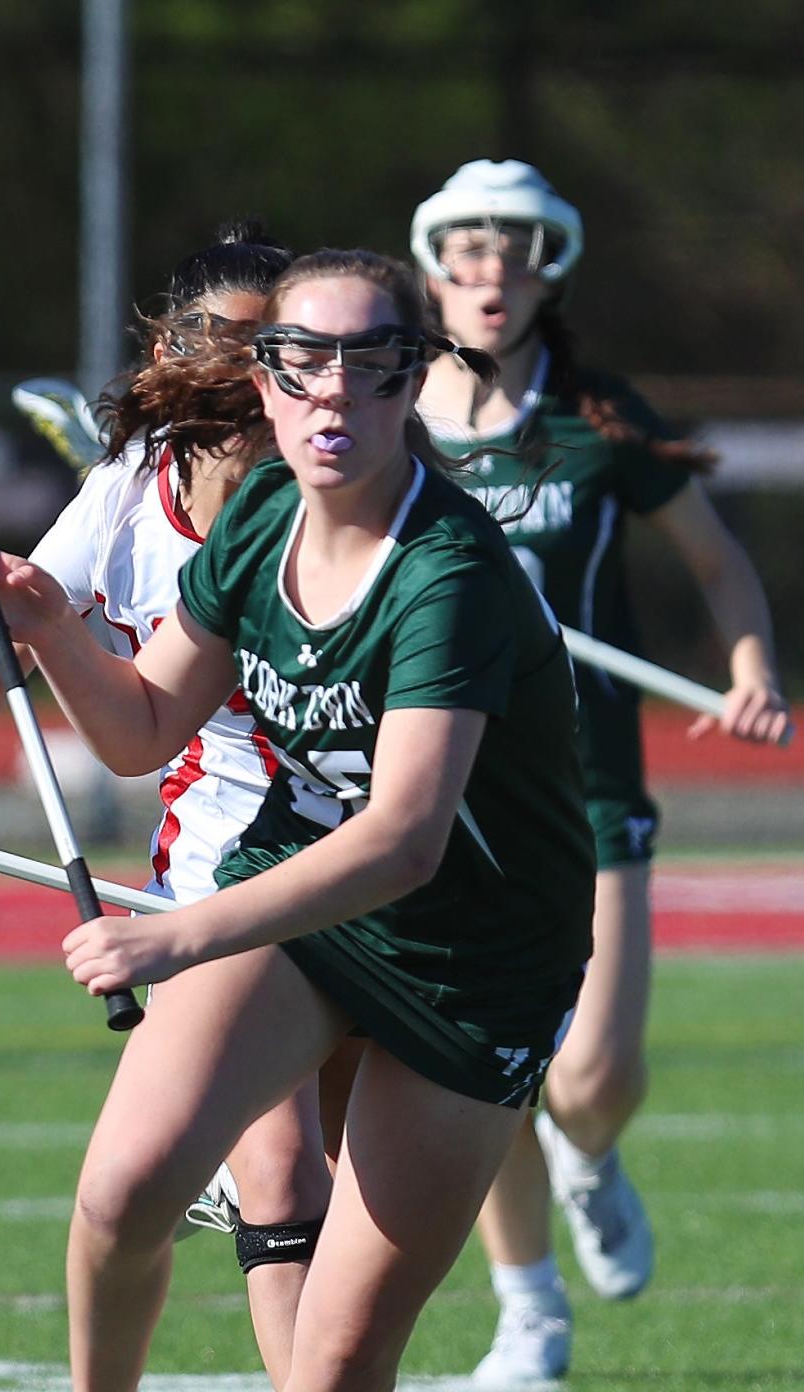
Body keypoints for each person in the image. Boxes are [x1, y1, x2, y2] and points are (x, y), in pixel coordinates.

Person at [0, 248, 597, 1391]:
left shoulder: (450, 575)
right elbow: (143, 727)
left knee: (334, 1368)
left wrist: (177, 935)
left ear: (412, 381)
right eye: (302, 364)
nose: (333, 392)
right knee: (124, 1191)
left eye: (371, 364)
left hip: (475, 963)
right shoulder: (264, 522)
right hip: (305, 900)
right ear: (265, 381)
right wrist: (50, 628)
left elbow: (403, 840)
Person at [0, 221, 346, 1389]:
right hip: (229, 865)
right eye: (237, 348)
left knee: (339, 1194)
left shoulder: (345, 488)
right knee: (272, 1176)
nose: (264, 382)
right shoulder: (125, 499)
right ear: (177, 347)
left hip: (375, 868)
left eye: (289, 353)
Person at [410, 158, 793, 1384]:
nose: (489, 275)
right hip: (435, 795)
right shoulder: (388, 423)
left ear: (545, 273)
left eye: (511, 253)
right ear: (435, 271)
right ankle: (531, 1314)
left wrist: (751, 670)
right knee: (484, 1068)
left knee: (592, 1079)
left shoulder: (597, 420)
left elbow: (722, 564)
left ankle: (594, 1156)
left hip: (590, 784)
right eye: (467, 253)